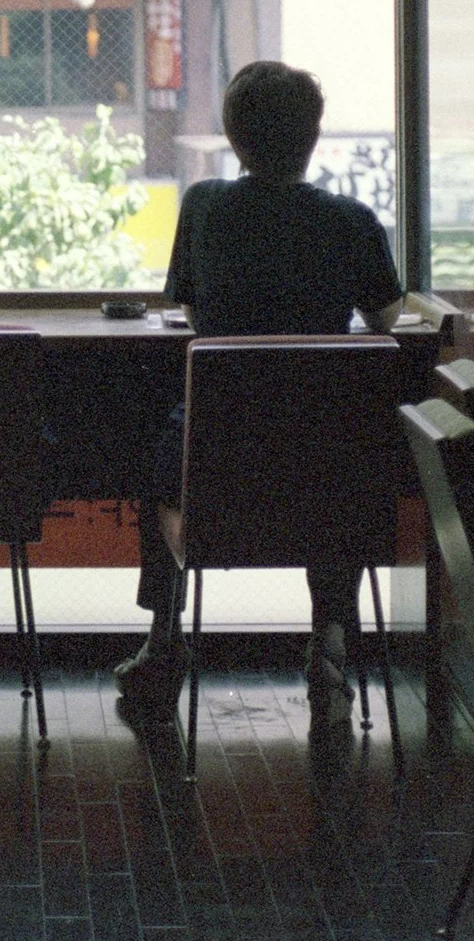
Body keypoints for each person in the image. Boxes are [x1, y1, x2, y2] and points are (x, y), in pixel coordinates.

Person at [113, 61, 404, 735]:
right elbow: (389, 319)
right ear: (312, 136)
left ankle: (164, 637)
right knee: (341, 461)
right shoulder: (351, 220)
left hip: (220, 472)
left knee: (158, 457)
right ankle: (329, 642)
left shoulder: (206, 207)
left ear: (234, 136)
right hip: (317, 473)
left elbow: (183, 302)